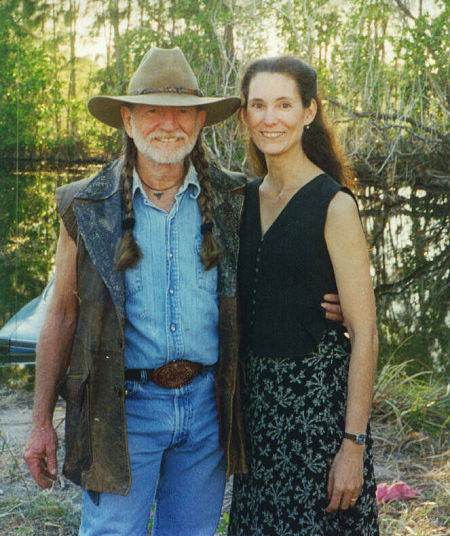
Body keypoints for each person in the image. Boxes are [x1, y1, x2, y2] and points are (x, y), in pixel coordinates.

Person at [22, 47, 343, 535]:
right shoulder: (86, 206)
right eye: (152, 111)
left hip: (208, 408)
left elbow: (288, 262)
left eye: (183, 113)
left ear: (200, 123)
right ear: (127, 120)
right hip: (122, 409)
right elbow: (62, 314)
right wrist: (41, 419)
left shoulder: (238, 200)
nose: (168, 125)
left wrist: (333, 303)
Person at [228, 57, 379, 535]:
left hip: (318, 419)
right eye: (258, 105)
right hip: (258, 416)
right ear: (245, 115)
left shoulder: (333, 205)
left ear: (309, 111)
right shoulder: (242, 199)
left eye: (284, 104)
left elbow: (366, 334)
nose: (270, 118)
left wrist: (352, 446)